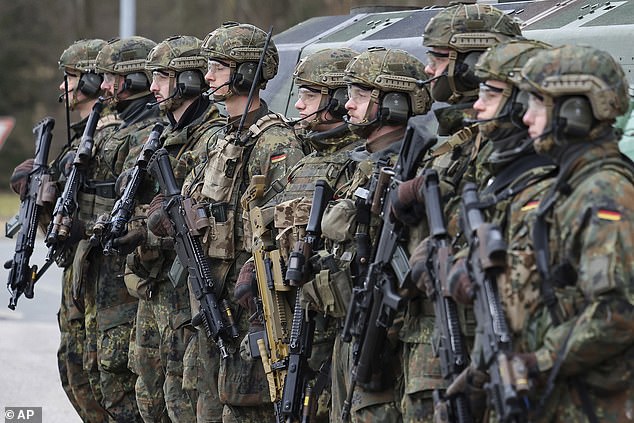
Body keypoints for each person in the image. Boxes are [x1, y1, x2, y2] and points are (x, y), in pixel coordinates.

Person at [147, 22, 306, 422]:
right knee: (197, 405)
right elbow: (188, 199)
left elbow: (283, 226)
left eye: (218, 67)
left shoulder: (276, 143)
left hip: (246, 302)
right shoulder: (220, 140)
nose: (209, 76)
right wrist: (171, 214)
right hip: (210, 292)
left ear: (246, 74)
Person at [391, 5, 523, 421]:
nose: (429, 70)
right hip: (435, 329)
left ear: (472, 63)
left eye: (439, 58)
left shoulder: (506, 144)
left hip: (477, 331)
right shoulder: (455, 139)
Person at [306, 46, 432, 422]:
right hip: (354, 321)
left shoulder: (412, 166)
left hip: (386, 330)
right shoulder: (362, 163)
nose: (348, 105)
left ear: (393, 102)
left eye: (360, 96)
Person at [236, 46, 361, 421]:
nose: (300, 105)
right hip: (291, 316)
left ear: (338, 102)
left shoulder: (354, 163)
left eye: (309, 95)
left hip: (328, 323)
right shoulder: (307, 160)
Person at [514, 44, 634, 422]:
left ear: (575, 113)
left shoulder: (602, 192)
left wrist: (539, 362)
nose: (526, 119)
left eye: (537, 103)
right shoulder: (573, 184)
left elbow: (617, 311)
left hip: (597, 403)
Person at [120, 34, 225, 423]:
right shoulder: (162, 133)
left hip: (187, 291)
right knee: (149, 402)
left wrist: (149, 230)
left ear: (188, 81)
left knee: (185, 403)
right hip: (155, 287)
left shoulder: (213, 137)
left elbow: (200, 214)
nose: (153, 86)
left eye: (162, 76)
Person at [73, 35, 159, 422]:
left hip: (127, 281)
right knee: (101, 375)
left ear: (137, 81)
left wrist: (88, 225)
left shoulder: (148, 132)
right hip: (103, 274)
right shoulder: (118, 128)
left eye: (113, 77)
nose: (104, 86)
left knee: (123, 383)